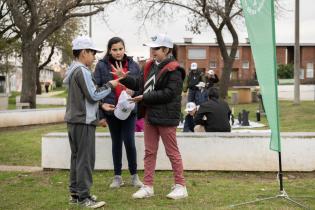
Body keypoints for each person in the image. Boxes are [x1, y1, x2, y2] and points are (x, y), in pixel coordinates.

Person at [116, 34, 188, 200]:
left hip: (166, 117)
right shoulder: (149, 65)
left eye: (156, 48)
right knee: (149, 152)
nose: (152, 51)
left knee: (172, 152)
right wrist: (124, 78)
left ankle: (180, 186)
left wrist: (144, 98)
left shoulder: (175, 69)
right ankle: (148, 186)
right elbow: (140, 85)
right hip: (150, 115)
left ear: (166, 50)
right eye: (152, 47)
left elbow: (170, 93)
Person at [64, 36, 120, 208]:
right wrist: (110, 85)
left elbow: (85, 97)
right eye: (92, 53)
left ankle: (76, 194)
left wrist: (102, 105)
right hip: (83, 122)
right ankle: (84, 197)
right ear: (83, 53)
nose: (94, 57)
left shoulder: (72, 69)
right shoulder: (82, 71)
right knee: (85, 160)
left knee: (76, 158)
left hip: (74, 121)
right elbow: (93, 94)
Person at [94, 37, 143, 189]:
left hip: (129, 109)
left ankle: (134, 176)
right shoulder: (101, 66)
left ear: (124, 49)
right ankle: (117, 177)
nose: (118, 52)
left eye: (120, 49)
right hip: (112, 111)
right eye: (114, 49)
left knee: (129, 141)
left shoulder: (134, 65)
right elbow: (96, 90)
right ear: (109, 50)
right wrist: (101, 112)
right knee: (116, 143)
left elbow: (141, 86)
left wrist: (133, 90)